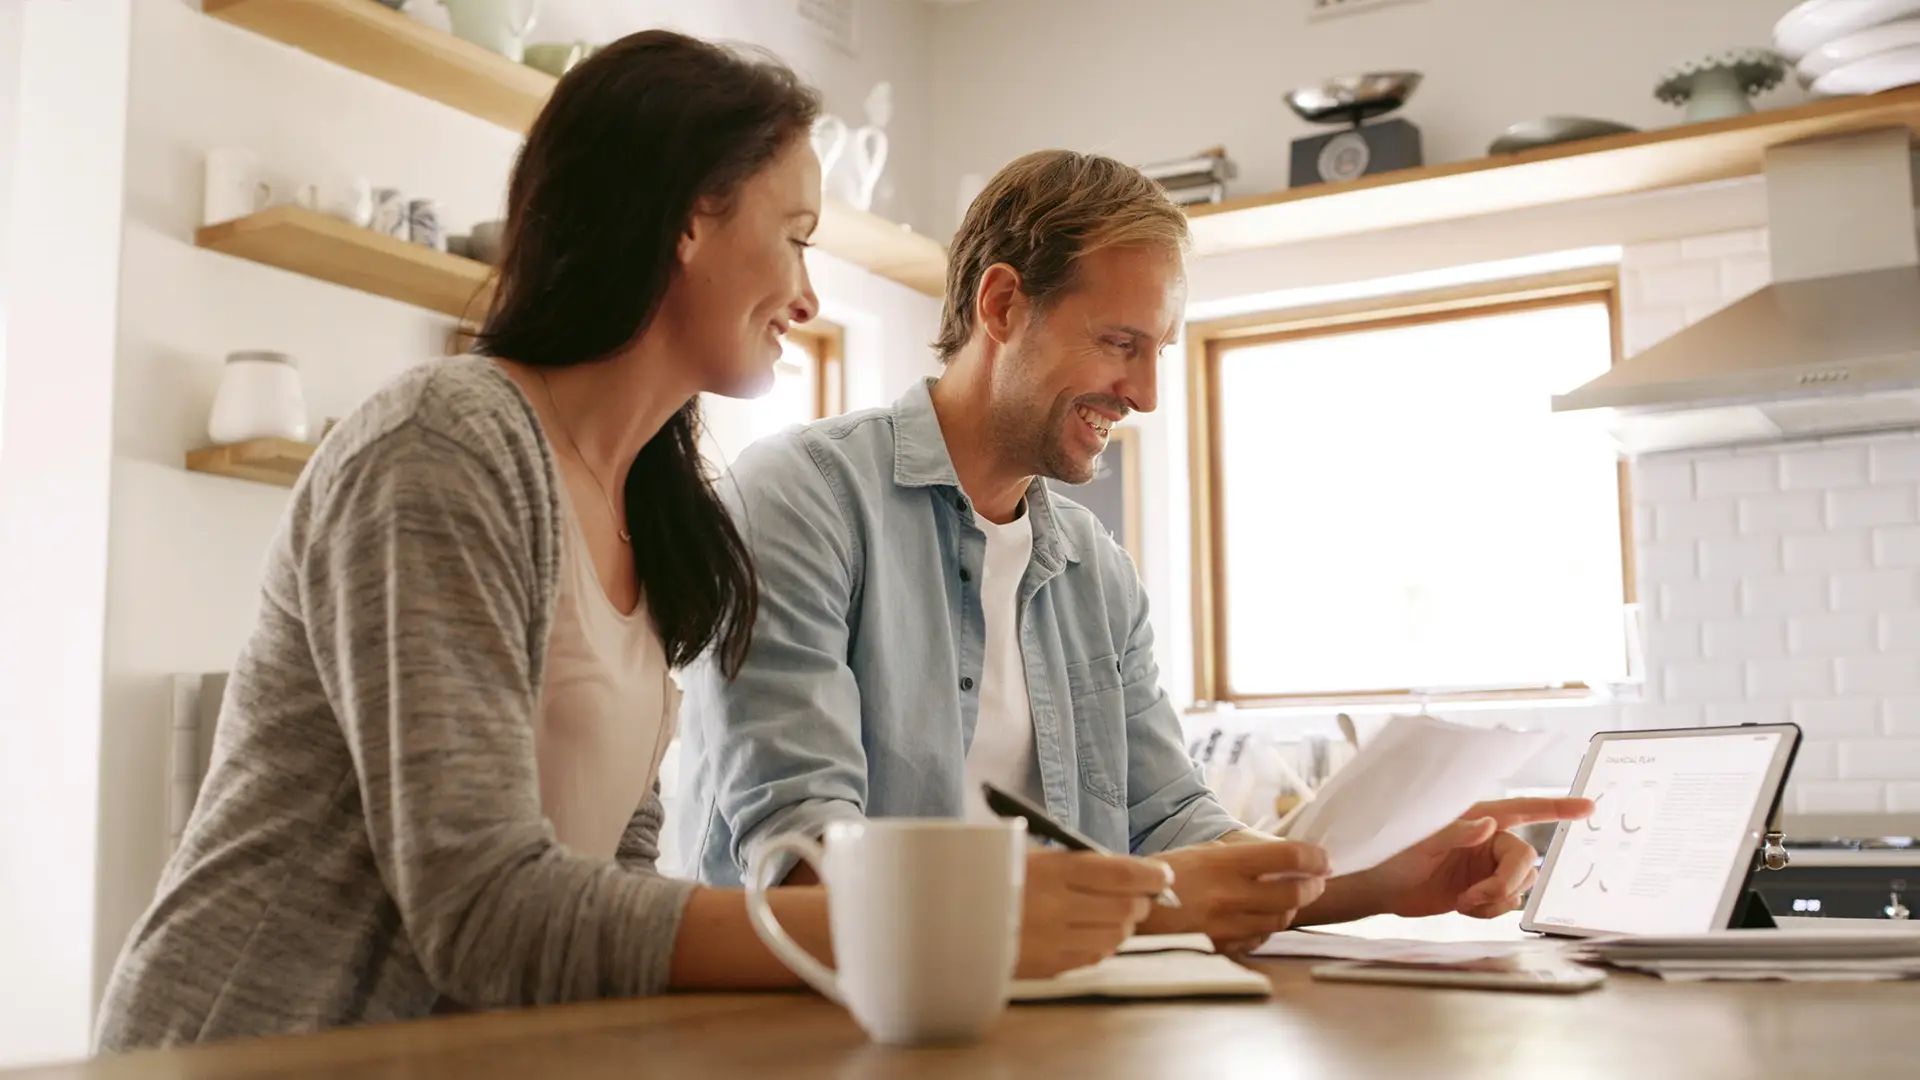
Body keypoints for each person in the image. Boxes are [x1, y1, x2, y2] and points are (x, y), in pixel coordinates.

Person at [93, 34, 1168, 1053]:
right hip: (252, 1051)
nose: (807, 294)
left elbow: (616, 879)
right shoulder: (443, 445)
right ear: (686, 222)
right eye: (793, 236)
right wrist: (934, 929)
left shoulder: (652, 508)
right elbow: (482, 906)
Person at [680, 149, 1592, 953]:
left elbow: (1170, 823)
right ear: (1002, 304)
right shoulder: (802, 497)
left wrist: (1386, 873)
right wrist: (1153, 907)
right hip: (820, 1028)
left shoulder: (1091, 566)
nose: (1147, 396)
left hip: (1042, 1021)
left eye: (1158, 351)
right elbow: (799, 858)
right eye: (1120, 343)